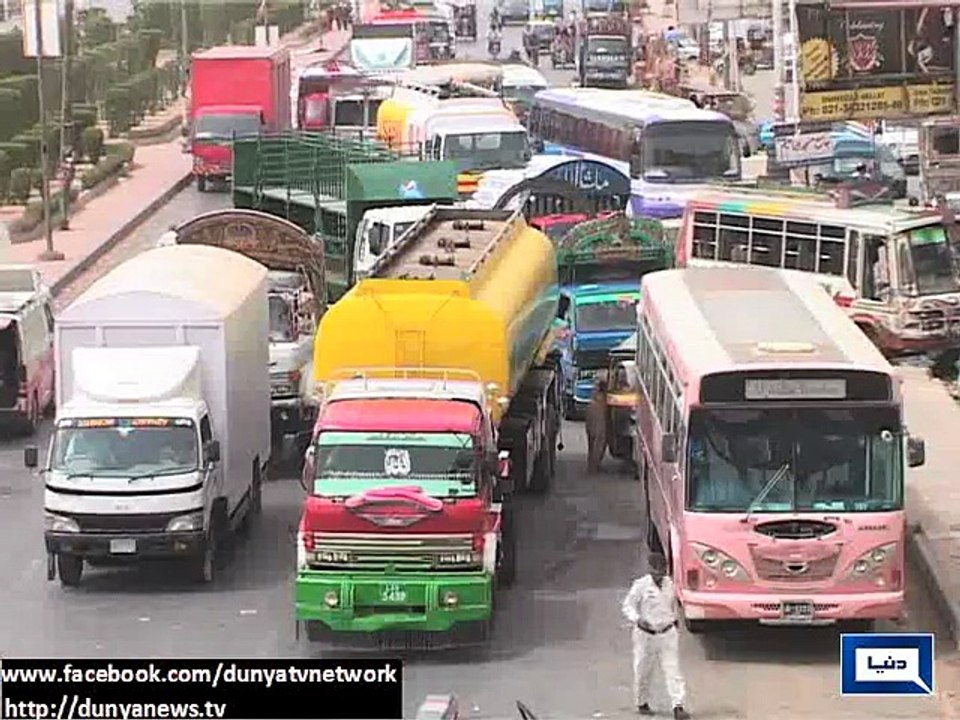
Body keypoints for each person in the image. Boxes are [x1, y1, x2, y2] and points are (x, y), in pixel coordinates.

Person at [621, 553, 690, 719]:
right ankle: (642, 701)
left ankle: (678, 705)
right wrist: (638, 619)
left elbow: (675, 604)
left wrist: (675, 620)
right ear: (651, 569)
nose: (660, 574)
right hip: (646, 634)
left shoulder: (670, 584)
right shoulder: (641, 585)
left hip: (667, 632)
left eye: (662, 571)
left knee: (672, 669)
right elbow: (627, 606)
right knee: (643, 669)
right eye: (656, 571)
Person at [584, 375, 608, 472]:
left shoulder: (593, 396)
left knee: (591, 440)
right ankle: (594, 465)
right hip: (598, 415)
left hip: (591, 413)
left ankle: (591, 464)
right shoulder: (603, 398)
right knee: (599, 440)